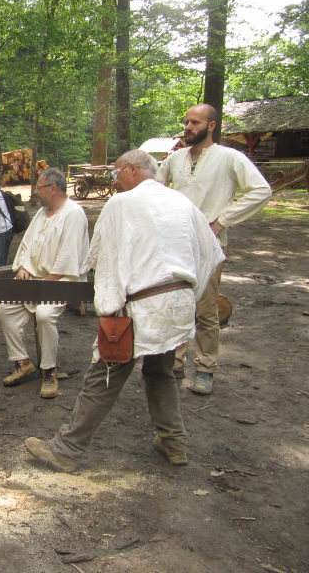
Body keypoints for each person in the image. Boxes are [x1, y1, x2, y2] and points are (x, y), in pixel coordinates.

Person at [24, 149, 225, 473]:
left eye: (117, 172)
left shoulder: (121, 205)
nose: (114, 180)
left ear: (133, 169)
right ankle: (173, 442)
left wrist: (107, 311)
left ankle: (66, 451)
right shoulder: (182, 203)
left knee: (101, 376)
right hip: (177, 309)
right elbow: (210, 255)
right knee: (160, 373)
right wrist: (186, 299)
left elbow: (107, 261)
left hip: (137, 311)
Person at [156, 103, 271, 395]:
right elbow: (153, 192)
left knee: (205, 311)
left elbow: (261, 190)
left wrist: (222, 220)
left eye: (195, 122)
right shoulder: (174, 159)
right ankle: (177, 361)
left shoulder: (229, 157)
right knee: (177, 304)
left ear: (211, 126)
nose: (188, 127)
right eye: (186, 122)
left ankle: (205, 367)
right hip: (176, 244)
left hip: (209, 245)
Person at [0, 168, 89, 397]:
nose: (35, 191)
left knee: (44, 315)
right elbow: (26, 243)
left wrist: (46, 283)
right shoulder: (42, 212)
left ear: (53, 189)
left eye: (39, 187)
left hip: (63, 280)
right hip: (36, 279)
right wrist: (24, 267)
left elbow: (68, 255)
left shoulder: (73, 214)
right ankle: (22, 362)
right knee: (1, 307)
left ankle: (49, 371)